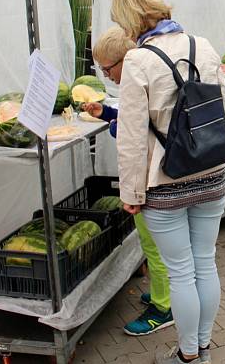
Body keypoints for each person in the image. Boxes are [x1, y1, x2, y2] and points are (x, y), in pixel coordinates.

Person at [112, 0, 225, 364]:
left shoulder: (137, 61)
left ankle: (189, 356)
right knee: (205, 263)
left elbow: (130, 137)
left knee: (180, 273)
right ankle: (203, 350)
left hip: (166, 183)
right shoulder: (205, 46)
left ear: (131, 18)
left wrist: (131, 193)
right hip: (210, 172)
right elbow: (220, 111)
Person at [82, 26, 174, 337]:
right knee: (153, 244)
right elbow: (129, 119)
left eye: (108, 69)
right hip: (147, 178)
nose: (106, 76)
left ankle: (163, 308)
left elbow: (137, 131)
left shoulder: (139, 80)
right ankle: (165, 293)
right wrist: (106, 112)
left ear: (126, 60)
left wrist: (114, 125)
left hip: (150, 182)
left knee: (155, 245)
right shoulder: (139, 79)